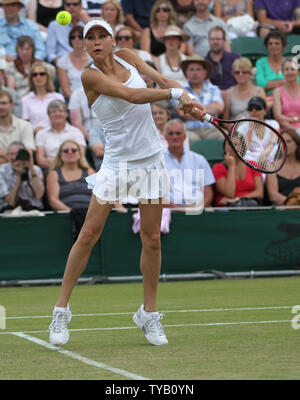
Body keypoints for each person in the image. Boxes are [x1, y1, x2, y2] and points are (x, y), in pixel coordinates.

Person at [48, 18, 205, 347]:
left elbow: (160, 78)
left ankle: (149, 314)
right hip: (118, 164)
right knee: (89, 233)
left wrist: (188, 99)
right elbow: (132, 95)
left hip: (150, 160)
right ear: (84, 45)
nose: (96, 41)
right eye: (89, 38)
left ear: (111, 37)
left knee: (152, 240)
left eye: (101, 35)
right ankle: (61, 310)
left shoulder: (130, 55)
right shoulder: (89, 75)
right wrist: (176, 94)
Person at [46, 140, 95, 236]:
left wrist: (90, 213)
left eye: (73, 150)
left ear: (79, 154)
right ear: (60, 155)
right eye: (65, 151)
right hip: (66, 216)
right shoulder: (54, 174)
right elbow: (53, 200)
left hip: (90, 215)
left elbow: (98, 195)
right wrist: (72, 212)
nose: (70, 152)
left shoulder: (90, 172)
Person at [163, 118, 215, 207]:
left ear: (184, 137)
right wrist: (177, 209)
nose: (174, 137)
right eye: (171, 133)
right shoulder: (158, 162)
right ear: (165, 137)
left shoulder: (199, 160)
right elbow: (155, 195)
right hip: (169, 210)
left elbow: (208, 191)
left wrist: (198, 208)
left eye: (178, 133)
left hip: (198, 209)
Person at [175, 54, 224, 141]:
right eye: (191, 70)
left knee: (224, 137)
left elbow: (219, 108)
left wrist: (192, 110)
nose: (195, 73)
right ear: (186, 73)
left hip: (212, 130)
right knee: (187, 138)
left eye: (198, 69)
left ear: (205, 73)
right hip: (189, 130)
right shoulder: (180, 90)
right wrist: (208, 110)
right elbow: (181, 113)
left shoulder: (213, 88)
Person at [212, 136, 264, 207]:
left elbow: (259, 193)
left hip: (249, 205)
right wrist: (231, 167)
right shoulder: (218, 168)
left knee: (250, 203)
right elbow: (229, 194)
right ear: (224, 147)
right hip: (227, 208)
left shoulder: (253, 165)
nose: (233, 147)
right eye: (230, 144)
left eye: (236, 144)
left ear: (243, 147)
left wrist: (238, 199)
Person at [35, 99, 86, 169]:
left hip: (73, 168)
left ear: (66, 114)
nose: (57, 114)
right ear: (48, 115)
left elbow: (81, 156)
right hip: (50, 169)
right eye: (53, 112)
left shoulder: (76, 132)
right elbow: (41, 161)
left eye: (60, 111)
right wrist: (67, 159)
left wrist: (55, 160)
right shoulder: (41, 134)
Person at [255, 30, 300, 104]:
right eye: (270, 44)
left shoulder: (291, 61)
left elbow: (298, 81)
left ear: (283, 46)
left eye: (277, 43)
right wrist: (285, 81)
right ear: (267, 46)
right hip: (269, 99)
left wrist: (271, 83)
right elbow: (261, 84)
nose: (273, 46)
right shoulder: (261, 62)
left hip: (290, 96)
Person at [21, 61, 65, 134]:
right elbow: (25, 124)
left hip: (56, 132)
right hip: (35, 135)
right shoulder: (25, 99)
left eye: (42, 74)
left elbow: (63, 119)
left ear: (47, 76)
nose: (38, 77)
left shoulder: (57, 97)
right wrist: (34, 130)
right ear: (31, 78)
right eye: (35, 75)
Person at [0, 140, 44, 212]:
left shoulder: (35, 169)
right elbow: (10, 202)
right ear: (7, 156)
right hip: (9, 211)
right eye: (12, 154)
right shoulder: (2, 171)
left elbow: (39, 195)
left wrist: (31, 169)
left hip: (34, 210)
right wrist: (19, 175)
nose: (15, 157)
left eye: (18, 154)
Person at [46, 0, 90, 64]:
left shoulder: (87, 23)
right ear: (64, 6)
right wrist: (61, 64)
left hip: (86, 63)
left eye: (75, 4)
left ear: (80, 6)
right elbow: (50, 53)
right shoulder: (54, 25)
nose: (71, 7)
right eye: (68, 5)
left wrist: (89, 22)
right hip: (62, 63)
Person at [265, 128, 300, 205]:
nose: (285, 144)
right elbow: (273, 195)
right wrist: (291, 203)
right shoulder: (272, 166)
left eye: (288, 141)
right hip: (280, 207)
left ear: (297, 145)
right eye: (282, 142)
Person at [0, 90, 35, 165]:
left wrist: (3, 155)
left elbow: (27, 155)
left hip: (20, 172)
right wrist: (15, 155)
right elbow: (21, 156)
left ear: (11, 105)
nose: (1, 107)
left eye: (4, 103)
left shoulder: (25, 126)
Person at [56, 26, 90, 101]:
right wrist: (78, 103)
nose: (76, 39)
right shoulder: (62, 62)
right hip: (71, 101)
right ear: (70, 40)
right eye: (73, 37)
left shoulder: (93, 59)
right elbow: (65, 90)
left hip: (92, 100)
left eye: (80, 36)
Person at [205, 25, 241, 92]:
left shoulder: (235, 58)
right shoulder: (204, 63)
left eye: (218, 39)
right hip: (214, 97)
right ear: (209, 41)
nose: (215, 42)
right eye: (212, 39)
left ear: (224, 41)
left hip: (235, 94)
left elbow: (242, 79)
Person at [272, 58, 300, 132]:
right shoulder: (277, 92)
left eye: (293, 69)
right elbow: (278, 116)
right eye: (286, 69)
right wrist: (295, 128)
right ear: (283, 72)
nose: (289, 72)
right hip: (286, 130)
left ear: (298, 72)